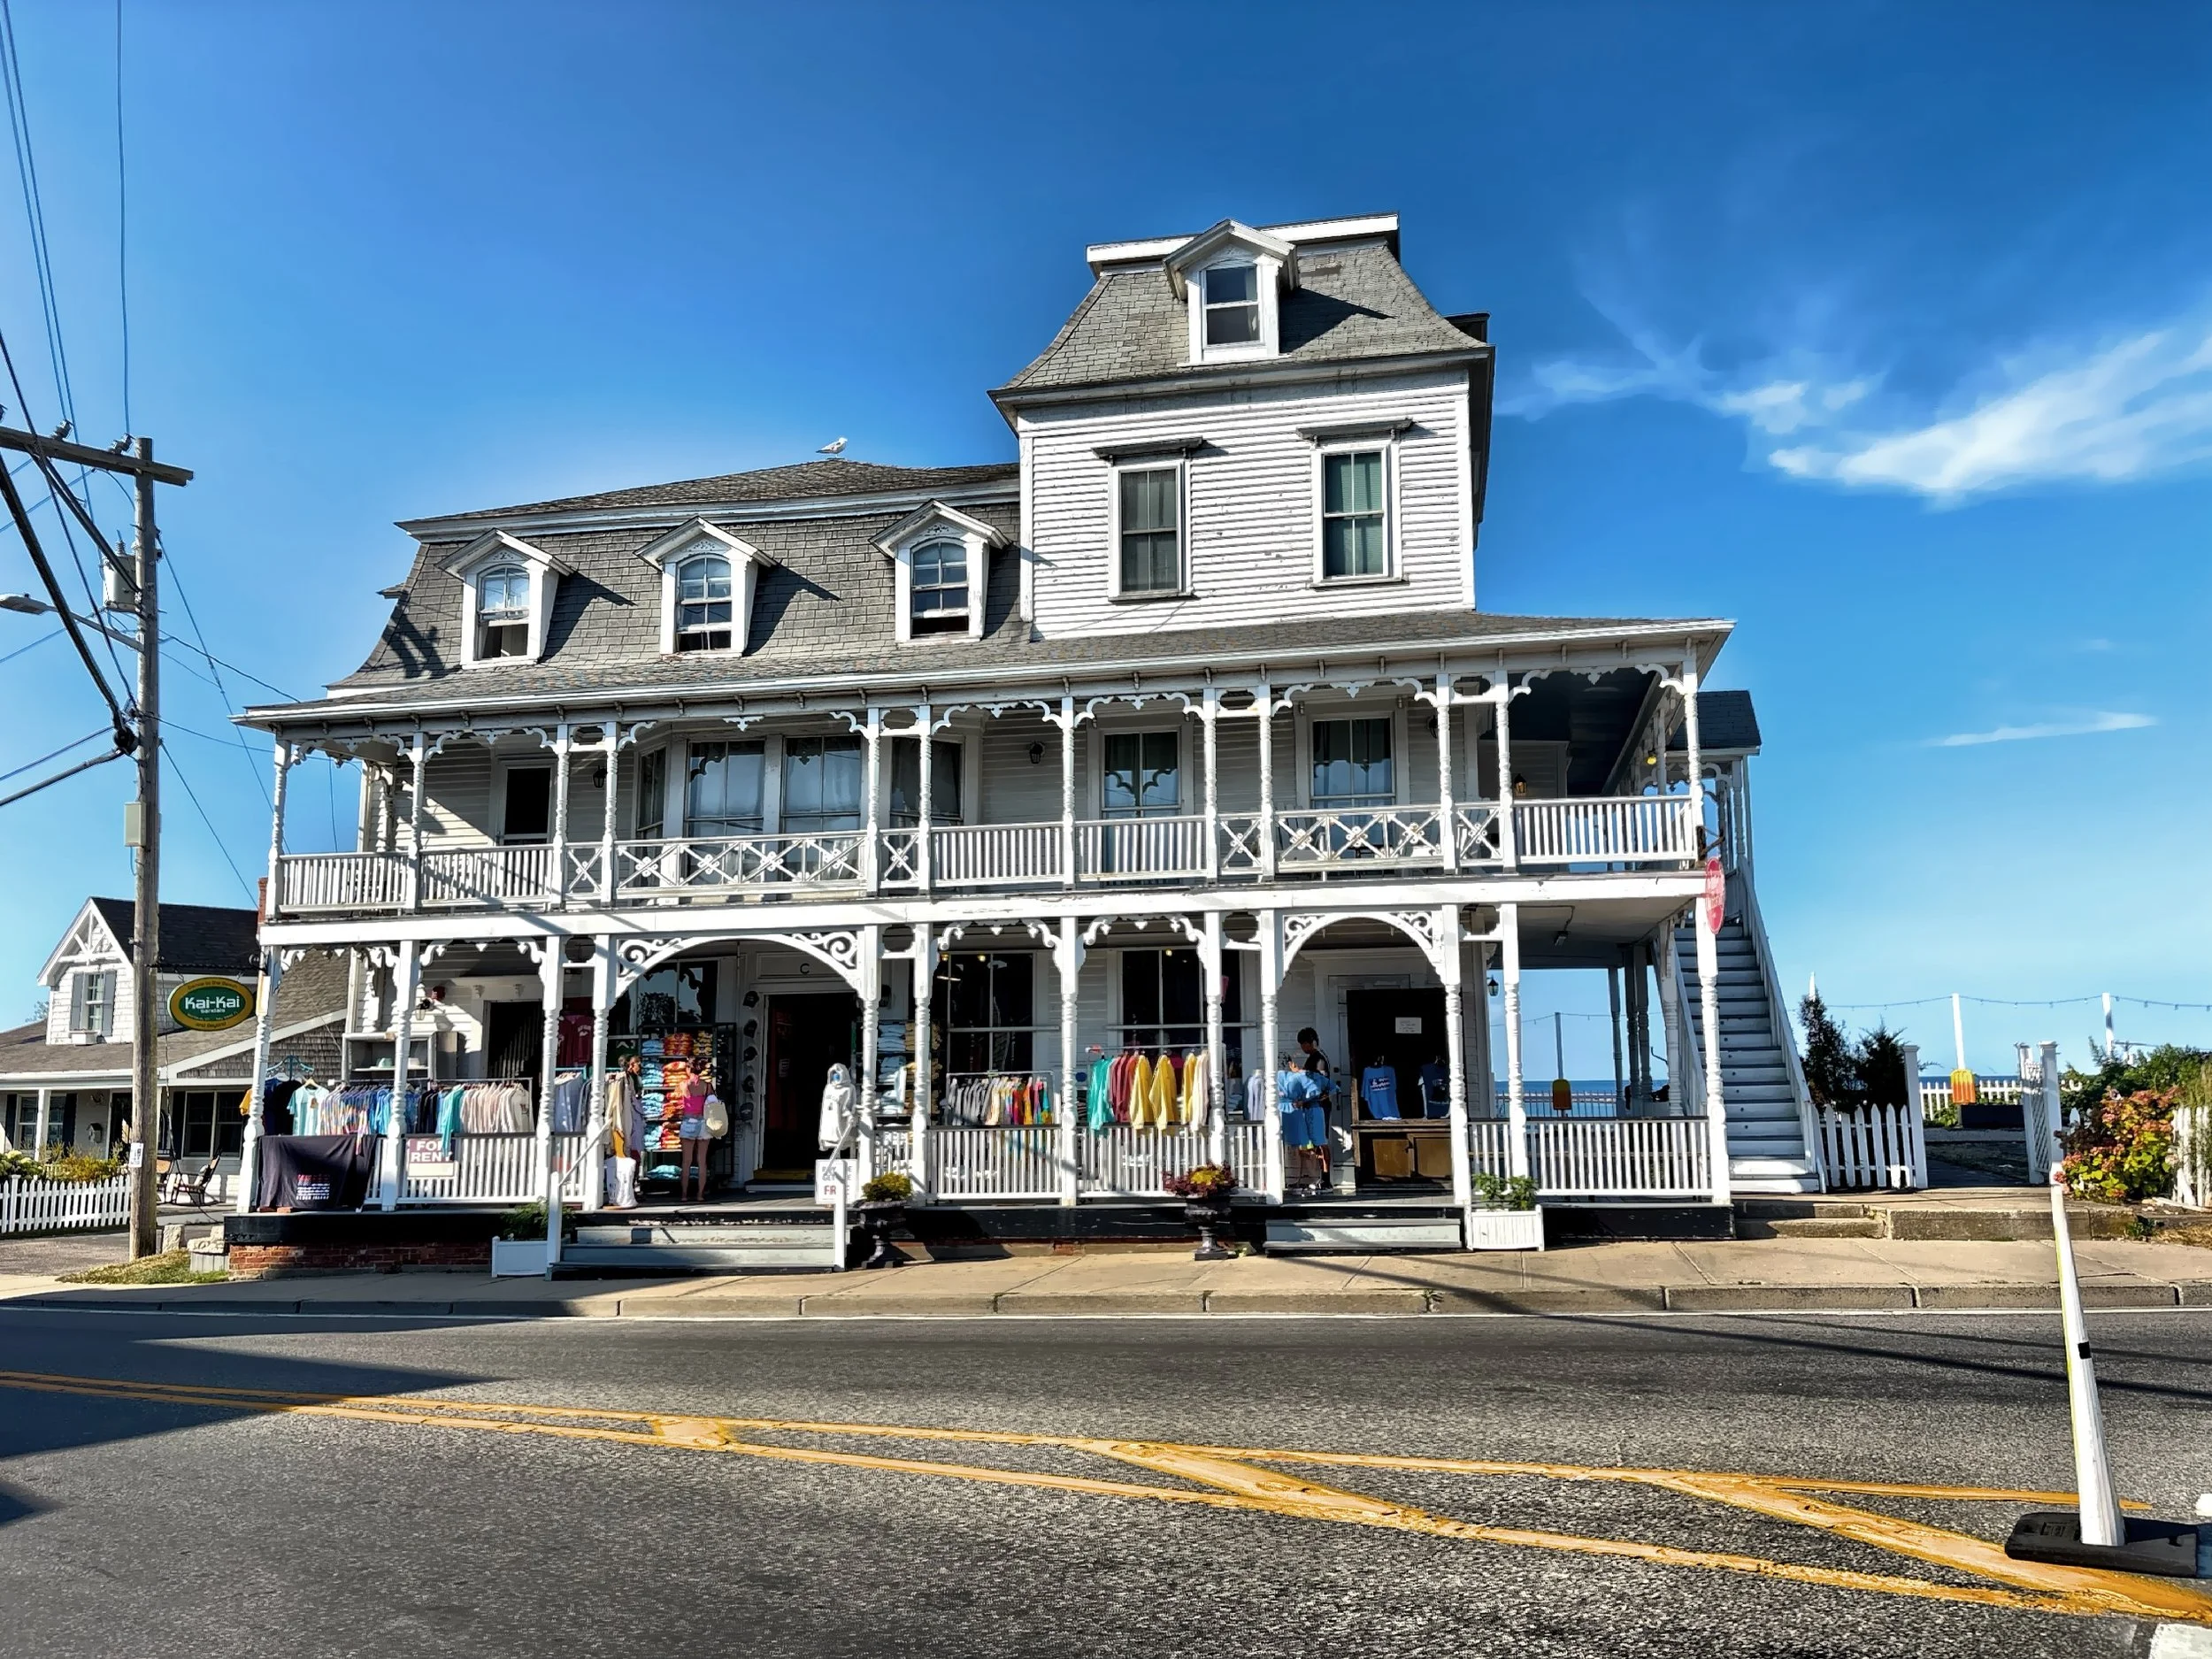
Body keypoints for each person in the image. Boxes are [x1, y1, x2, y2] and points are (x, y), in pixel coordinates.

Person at [1278, 1052, 1330, 1196]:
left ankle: (1315, 1179)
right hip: (1294, 1117)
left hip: (1305, 1114)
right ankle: (1301, 1180)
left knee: (1311, 1148)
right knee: (1299, 1150)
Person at [678, 1068, 712, 1202]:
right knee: (702, 1161)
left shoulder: (684, 1084)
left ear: (688, 1069)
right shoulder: (707, 1085)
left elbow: (680, 1099)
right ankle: (700, 1195)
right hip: (703, 1122)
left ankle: (684, 1195)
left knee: (686, 1162)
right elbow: (711, 1102)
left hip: (688, 1121)